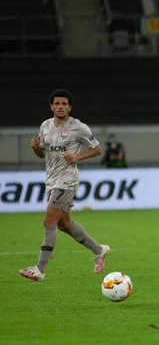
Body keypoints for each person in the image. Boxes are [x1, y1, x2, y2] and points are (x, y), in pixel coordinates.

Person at [19, 89, 111, 282]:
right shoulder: (45, 126)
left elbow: (97, 149)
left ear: (70, 107)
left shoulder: (78, 127)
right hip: (51, 180)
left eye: (64, 104)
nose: (60, 107)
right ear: (52, 106)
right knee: (64, 224)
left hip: (67, 180)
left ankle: (39, 269)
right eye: (57, 103)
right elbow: (42, 154)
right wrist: (36, 146)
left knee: (49, 221)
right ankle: (99, 250)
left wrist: (77, 156)